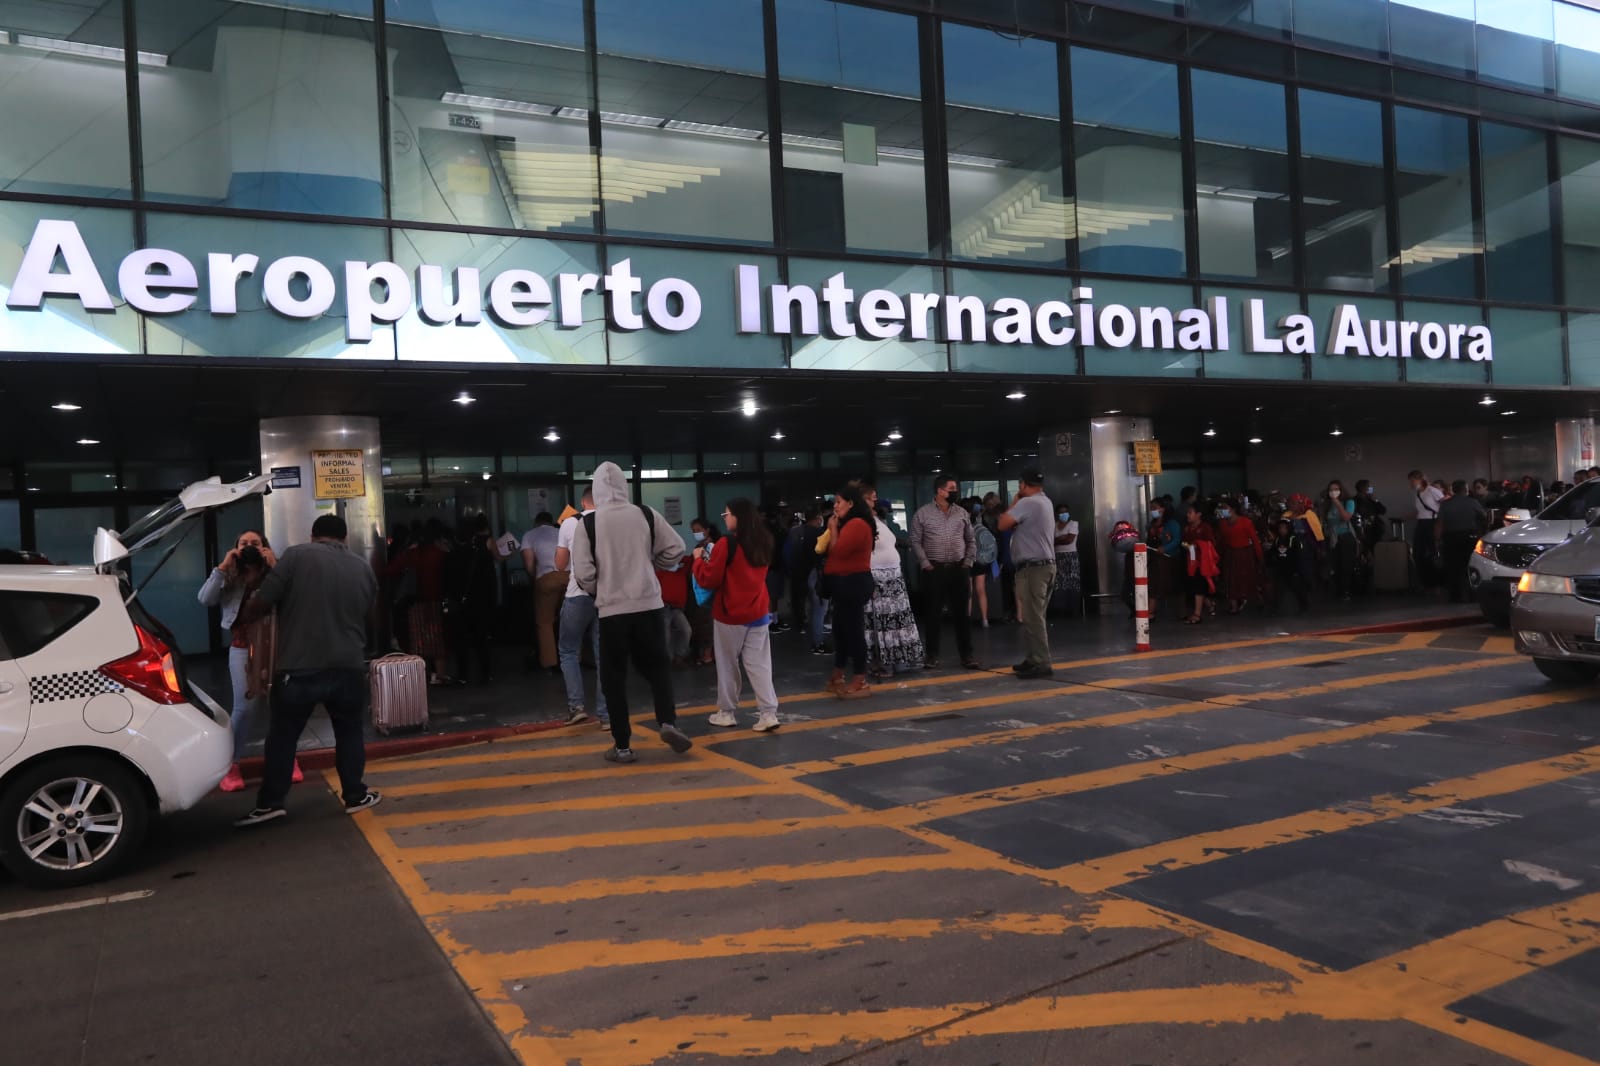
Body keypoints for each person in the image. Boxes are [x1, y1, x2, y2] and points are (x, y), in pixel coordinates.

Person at [234, 514, 381, 827]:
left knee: (283, 737)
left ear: (313, 536)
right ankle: (355, 795)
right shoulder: (362, 567)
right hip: (349, 666)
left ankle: (271, 803)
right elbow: (372, 618)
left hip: (299, 668)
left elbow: (258, 606)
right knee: (350, 732)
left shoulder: (296, 556)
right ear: (343, 538)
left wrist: (251, 584)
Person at [570, 461, 691, 763]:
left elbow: (583, 573)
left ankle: (622, 745)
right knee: (658, 668)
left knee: (613, 678)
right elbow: (676, 547)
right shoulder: (645, 513)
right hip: (649, 606)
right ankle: (668, 722)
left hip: (612, 612)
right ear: (624, 487)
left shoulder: (588, 524)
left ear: (596, 490)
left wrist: (602, 588)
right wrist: (652, 565)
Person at [198, 529, 303, 792]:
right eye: (243, 543)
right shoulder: (230, 575)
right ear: (235, 548)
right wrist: (223, 566)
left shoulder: (274, 572)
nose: (249, 548)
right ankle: (230, 765)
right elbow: (205, 599)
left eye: (255, 543)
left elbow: (294, 599)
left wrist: (275, 566)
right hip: (242, 647)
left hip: (277, 647)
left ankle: (287, 760)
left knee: (282, 706)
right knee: (245, 709)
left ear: (265, 547)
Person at [693, 497, 781, 732]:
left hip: (730, 614)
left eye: (727, 514)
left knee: (727, 664)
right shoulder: (764, 541)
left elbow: (709, 578)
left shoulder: (727, 544)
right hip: (759, 611)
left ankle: (727, 712)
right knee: (760, 664)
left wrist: (698, 562)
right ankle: (768, 713)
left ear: (737, 517)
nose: (725, 518)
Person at [910, 475, 980, 670]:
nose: (955, 492)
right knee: (933, 614)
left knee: (962, 615)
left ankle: (967, 655)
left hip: (959, 569)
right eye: (952, 489)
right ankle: (931, 655)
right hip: (935, 570)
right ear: (940, 491)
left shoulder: (962, 513)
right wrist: (925, 563)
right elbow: (915, 540)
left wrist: (968, 561)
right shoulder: (922, 514)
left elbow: (971, 539)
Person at [861, 483, 925, 680]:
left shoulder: (877, 520)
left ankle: (900, 659)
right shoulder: (860, 521)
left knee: (896, 621)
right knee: (882, 623)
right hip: (877, 578)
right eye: (871, 497)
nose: (875, 500)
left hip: (892, 578)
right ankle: (882, 662)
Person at [997, 471, 1056, 679]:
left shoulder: (1027, 503)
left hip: (1033, 569)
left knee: (1033, 618)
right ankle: (1033, 658)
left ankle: (1041, 662)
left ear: (1023, 485)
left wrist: (1014, 502)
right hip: (1046, 566)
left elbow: (1003, 524)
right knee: (1035, 616)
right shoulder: (1045, 501)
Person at [557, 490, 607, 728]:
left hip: (578, 595)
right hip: (607, 596)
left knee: (568, 650)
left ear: (582, 502)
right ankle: (607, 715)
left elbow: (559, 564)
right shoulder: (611, 522)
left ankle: (576, 707)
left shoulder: (570, 523)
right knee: (603, 656)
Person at [823, 485, 877, 698]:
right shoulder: (850, 524)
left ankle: (859, 678)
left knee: (853, 631)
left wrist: (833, 529)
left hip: (853, 583)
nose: (835, 506)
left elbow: (838, 551)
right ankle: (838, 675)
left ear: (851, 503)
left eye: (838, 502)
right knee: (841, 629)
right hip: (844, 583)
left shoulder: (857, 524)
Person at [521, 511, 564, 673]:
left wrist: (536, 579)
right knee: (568, 620)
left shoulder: (530, 535)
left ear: (536, 522)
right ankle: (573, 657)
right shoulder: (561, 532)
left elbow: (529, 563)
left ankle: (550, 662)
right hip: (569, 578)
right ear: (551, 522)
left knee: (545, 623)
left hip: (547, 579)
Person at [1437, 478, 1489, 602]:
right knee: (1470, 566)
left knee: (1452, 568)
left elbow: (1439, 523)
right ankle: (1472, 595)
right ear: (1466, 489)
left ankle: (1455, 596)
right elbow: (1484, 517)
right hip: (1469, 538)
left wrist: (1437, 540)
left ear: (1453, 490)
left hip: (1450, 538)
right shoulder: (1473, 502)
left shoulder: (1445, 504)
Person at [1216, 498, 1262, 615]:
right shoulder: (1222, 523)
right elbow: (1221, 541)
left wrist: (1259, 557)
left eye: (1225, 507)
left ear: (1233, 509)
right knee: (1229, 580)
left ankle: (1251, 602)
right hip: (1229, 554)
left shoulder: (1246, 522)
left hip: (1244, 554)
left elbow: (1255, 540)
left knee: (1245, 579)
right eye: (1222, 508)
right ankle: (1233, 606)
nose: (1223, 510)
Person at [687, 516, 721, 666]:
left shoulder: (713, 547)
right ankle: (705, 653)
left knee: (708, 624)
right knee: (703, 624)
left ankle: (708, 654)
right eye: (693, 531)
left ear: (707, 530)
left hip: (710, 593)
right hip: (700, 592)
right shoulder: (698, 548)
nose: (696, 533)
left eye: (698, 530)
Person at [1321, 479, 1358, 601]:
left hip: (1346, 537)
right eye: (1331, 490)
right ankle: (1339, 591)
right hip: (1332, 538)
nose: (1333, 492)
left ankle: (1347, 591)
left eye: (1336, 489)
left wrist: (1337, 503)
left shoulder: (1349, 502)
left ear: (1341, 490)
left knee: (1346, 565)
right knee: (1335, 565)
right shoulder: (1327, 504)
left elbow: (1346, 517)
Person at [1180, 503, 1217, 623]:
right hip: (1191, 562)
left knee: (1199, 587)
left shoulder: (1205, 528)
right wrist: (1187, 546)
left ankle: (1197, 615)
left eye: (1190, 512)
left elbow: (1211, 543)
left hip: (1202, 562)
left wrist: (1197, 545)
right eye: (1187, 512)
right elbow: (1183, 542)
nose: (1188, 515)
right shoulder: (1187, 528)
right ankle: (1209, 604)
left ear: (1198, 514)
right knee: (1194, 586)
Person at [1409, 470, 1446, 588]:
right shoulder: (1418, 493)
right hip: (1422, 523)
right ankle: (1427, 582)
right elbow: (1420, 511)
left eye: (1412, 481)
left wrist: (1440, 523)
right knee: (1418, 553)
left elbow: (1445, 504)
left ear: (1420, 480)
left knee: (1432, 553)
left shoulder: (1432, 491)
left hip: (1432, 523)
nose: (1411, 483)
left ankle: (1437, 583)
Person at [1050, 501, 1080, 616]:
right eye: (1061, 512)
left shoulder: (1073, 524)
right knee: (1058, 583)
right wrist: (1061, 538)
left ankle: (1073, 609)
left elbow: (1069, 540)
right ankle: (1059, 609)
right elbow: (1050, 541)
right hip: (1057, 557)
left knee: (1072, 582)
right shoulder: (1054, 526)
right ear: (1057, 514)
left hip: (1071, 556)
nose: (1063, 514)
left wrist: (1058, 540)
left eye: (1065, 512)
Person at [971, 509, 997, 627]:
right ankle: (985, 619)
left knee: (968, 592)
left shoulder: (963, 525)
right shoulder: (982, 526)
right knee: (981, 590)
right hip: (981, 560)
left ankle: (967, 620)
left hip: (967, 560)